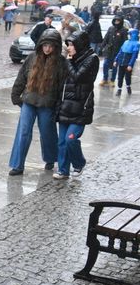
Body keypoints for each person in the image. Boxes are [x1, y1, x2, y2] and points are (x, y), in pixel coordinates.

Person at [8, 29, 67, 176]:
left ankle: (50, 158)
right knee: (23, 132)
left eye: (51, 46)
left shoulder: (60, 62)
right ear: (41, 44)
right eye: (45, 45)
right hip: (29, 100)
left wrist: (59, 106)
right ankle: (18, 164)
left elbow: (62, 87)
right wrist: (16, 95)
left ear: (56, 47)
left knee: (48, 133)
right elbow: (22, 77)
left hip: (48, 103)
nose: (47, 48)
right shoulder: (32, 57)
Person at [53, 31, 98, 180]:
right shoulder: (71, 60)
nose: (69, 48)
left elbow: (78, 77)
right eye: (68, 45)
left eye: (71, 45)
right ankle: (63, 170)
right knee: (62, 142)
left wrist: (68, 62)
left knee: (71, 139)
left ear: (79, 45)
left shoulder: (92, 59)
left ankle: (79, 163)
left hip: (80, 108)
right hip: (66, 106)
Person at [100, 15, 128, 87]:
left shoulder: (124, 30)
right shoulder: (111, 28)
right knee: (105, 65)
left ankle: (112, 80)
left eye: (118, 21)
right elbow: (106, 38)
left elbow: (125, 42)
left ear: (121, 21)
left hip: (117, 52)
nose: (116, 22)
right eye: (115, 21)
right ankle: (105, 79)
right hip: (109, 51)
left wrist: (123, 52)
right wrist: (102, 46)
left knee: (114, 66)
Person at [113, 28, 139, 96]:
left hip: (128, 63)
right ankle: (119, 89)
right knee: (120, 77)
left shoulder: (136, 44)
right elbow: (120, 52)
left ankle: (128, 86)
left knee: (127, 77)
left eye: (130, 34)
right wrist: (116, 60)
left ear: (133, 35)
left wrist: (130, 65)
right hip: (121, 62)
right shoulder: (126, 42)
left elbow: (134, 56)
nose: (128, 35)